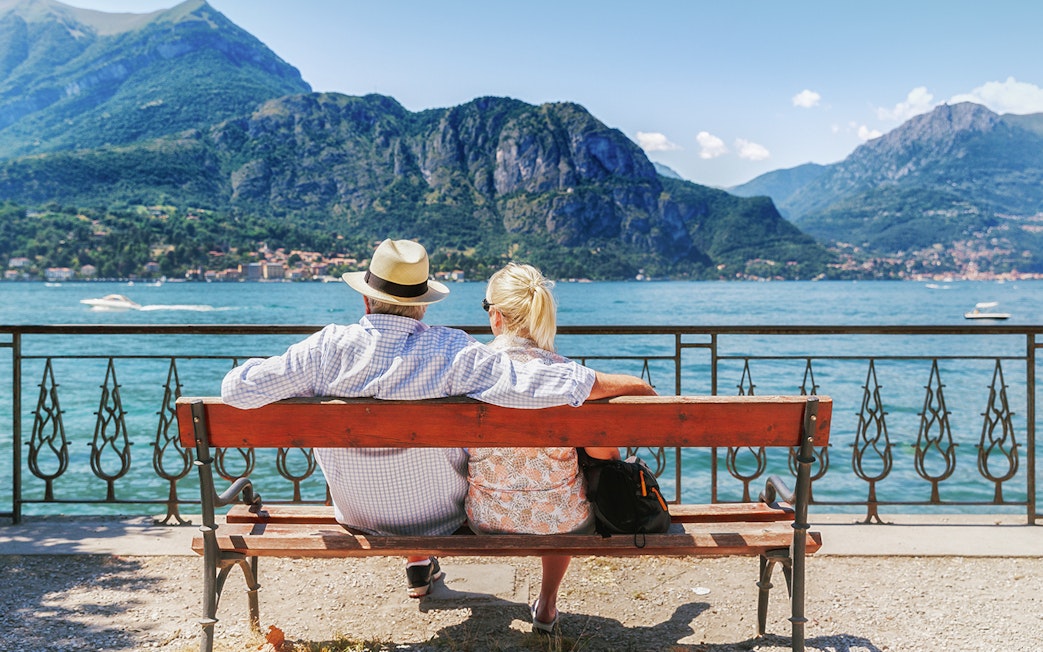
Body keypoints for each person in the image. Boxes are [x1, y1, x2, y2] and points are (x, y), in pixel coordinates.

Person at [220, 238, 655, 599]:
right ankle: (426, 557)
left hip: (352, 513)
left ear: (366, 297)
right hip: (438, 520)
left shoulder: (323, 348)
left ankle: (418, 565)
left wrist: (295, 369)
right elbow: (533, 383)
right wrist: (621, 383)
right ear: (423, 305)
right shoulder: (450, 351)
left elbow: (235, 390)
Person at [466, 262, 633, 633]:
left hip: (485, 519)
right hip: (563, 523)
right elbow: (636, 406)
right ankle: (547, 606)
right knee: (563, 495)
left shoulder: (465, 371)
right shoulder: (570, 377)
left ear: (496, 316)